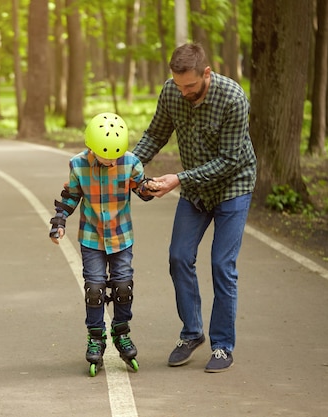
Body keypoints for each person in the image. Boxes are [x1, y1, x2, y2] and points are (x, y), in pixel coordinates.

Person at [132, 43, 257, 373]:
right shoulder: (172, 92)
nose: (183, 91)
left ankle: (221, 345)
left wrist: (178, 179)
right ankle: (191, 333)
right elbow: (155, 134)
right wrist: (127, 167)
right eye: (177, 83)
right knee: (178, 256)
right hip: (195, 189)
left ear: (206, 73)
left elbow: (230, 161)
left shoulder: (232, 98)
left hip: (233, 186)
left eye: (189, 85)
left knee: (222, 264)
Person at [49, 112, 153, 375]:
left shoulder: (130, 162)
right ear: (91, 146)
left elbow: (141, 188)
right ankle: (96, 336)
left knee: (123, 285)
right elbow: (71, 196)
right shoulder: (78, 165)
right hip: (92, 238)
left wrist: (148, 188)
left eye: (115, 156)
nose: (111, 161)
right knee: (94, 288)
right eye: (106, 156)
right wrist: (59, 221)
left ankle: (121, 332)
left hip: (122, 237)